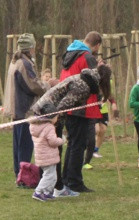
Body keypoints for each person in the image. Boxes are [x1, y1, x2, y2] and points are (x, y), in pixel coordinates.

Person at [30, 64, 107, 198]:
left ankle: (54, 187)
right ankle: (50, 189)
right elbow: (63, 106)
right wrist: (55, 121)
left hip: (47, 109)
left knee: (52, 153)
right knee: (53, 153)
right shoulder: (83, 86)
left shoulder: (83, 78)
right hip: (50, 112)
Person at [59, 31, 101, 194]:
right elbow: (93, 81)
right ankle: (74, 181)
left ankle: (67, 178)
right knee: (78, 145)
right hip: (82, 106)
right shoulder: (87, 57)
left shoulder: (70, 54)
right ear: (97, 45)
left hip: (69, 104)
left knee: (73, 144)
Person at [4, 33, 48, 178]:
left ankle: (19, 173)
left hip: (17, 109)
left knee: (18, 144)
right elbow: (33, 85)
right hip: (24, 109)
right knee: (25, 145)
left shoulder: (15, 61)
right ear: (30, 48)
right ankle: (23, 177)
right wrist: (47, 86)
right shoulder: (24, 63)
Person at [29, 106, 65, 202]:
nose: (57, 119)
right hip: (48, 156)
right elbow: (52, 141)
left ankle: (47, 192)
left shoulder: (35, 126)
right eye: (56, 117)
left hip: (41, 156)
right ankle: (38, 192)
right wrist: (61, 140)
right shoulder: (49, 127)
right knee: (50, 176)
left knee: (51, 175)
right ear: (52, 117)